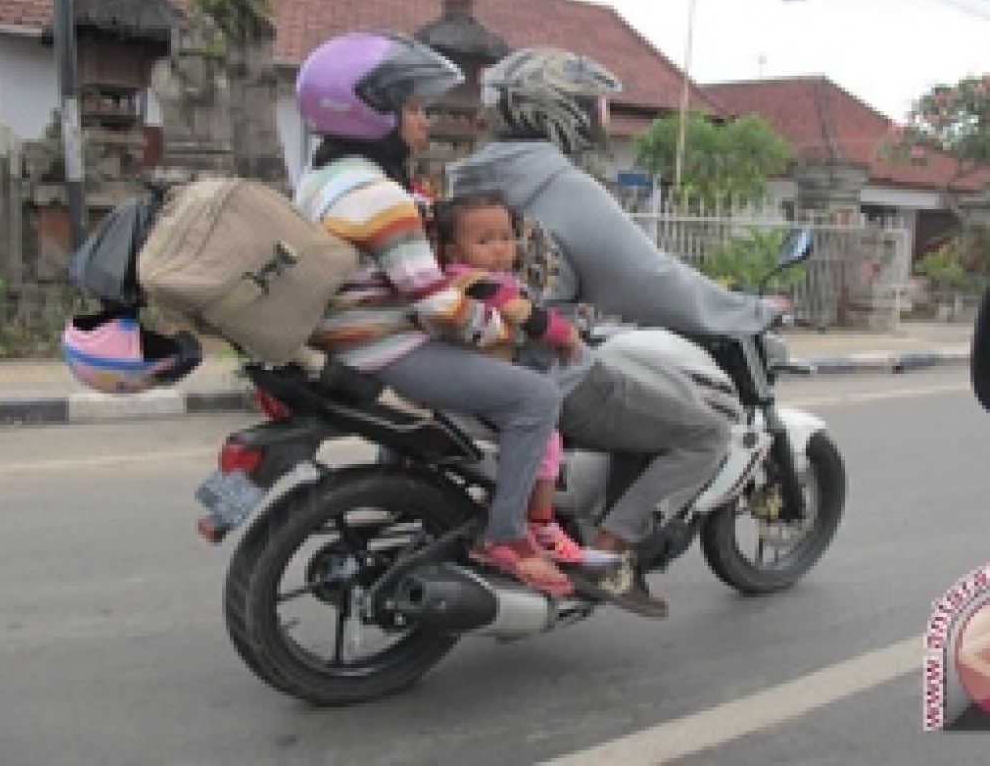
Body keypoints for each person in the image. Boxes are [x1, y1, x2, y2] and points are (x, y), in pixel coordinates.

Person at [448, 48, 779, 616]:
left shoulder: (461, 178)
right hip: (539, 365)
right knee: (703, 432)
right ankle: (608, 554)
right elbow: (648, 281)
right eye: (591, 106)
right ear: (558, 111)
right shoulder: (559, 185)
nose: (597, 118)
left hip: (459, 360)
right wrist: (744, 310)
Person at [292, 31, 571, 597]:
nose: (424, 122)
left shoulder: (321, 180)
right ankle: (508, 535)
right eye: (413, 108)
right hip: (381, 343)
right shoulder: (379, 196)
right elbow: (434, 302)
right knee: (534, 398)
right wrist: (506, 326)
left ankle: (415, 495)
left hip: (338, 338)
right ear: (372, 115)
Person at [433, 191, 586, 565]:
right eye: (484, 241)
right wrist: (563, 333)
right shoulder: (471, 281)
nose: (499, 249)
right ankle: (540, 522)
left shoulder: (480, 278)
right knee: (546, 431)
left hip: (472, 374)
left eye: (505, 237)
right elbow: (523, 313)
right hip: (478, 380)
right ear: (453, 251)